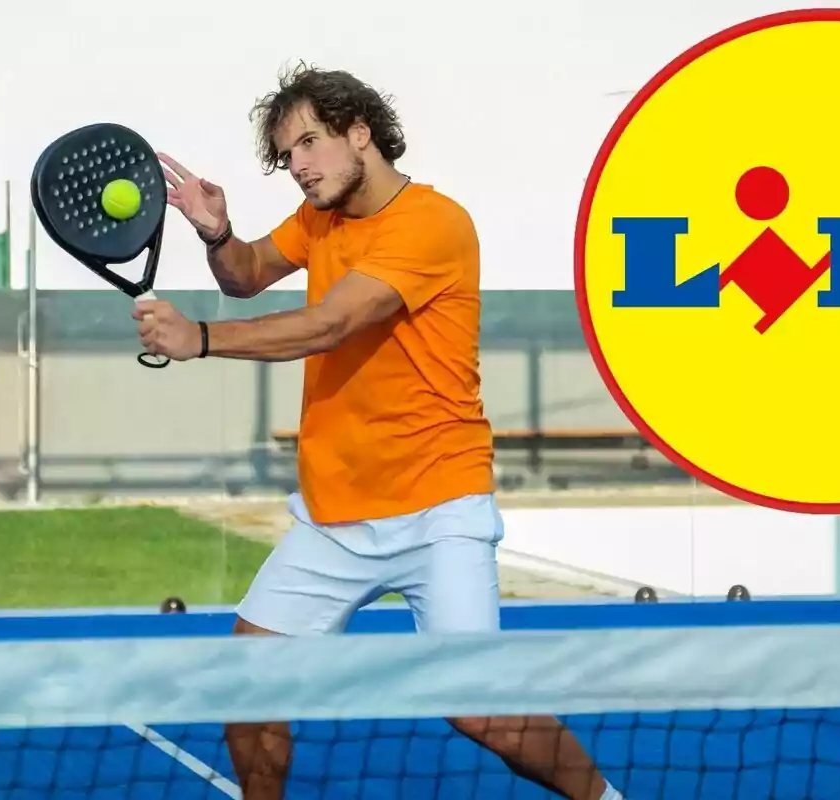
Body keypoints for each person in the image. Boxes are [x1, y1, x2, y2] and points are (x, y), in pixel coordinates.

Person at [134, 63, 625, 800]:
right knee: (246, 687)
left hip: (436, 507)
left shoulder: (432, 224)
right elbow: (246, 273)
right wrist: (218, 232)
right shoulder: (322, 217)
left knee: (481, 710)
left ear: (360, 132)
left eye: (309, 142)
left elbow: (331, 322)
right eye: (286, 155)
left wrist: (200, 339)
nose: (297, 165)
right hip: (335, 515)